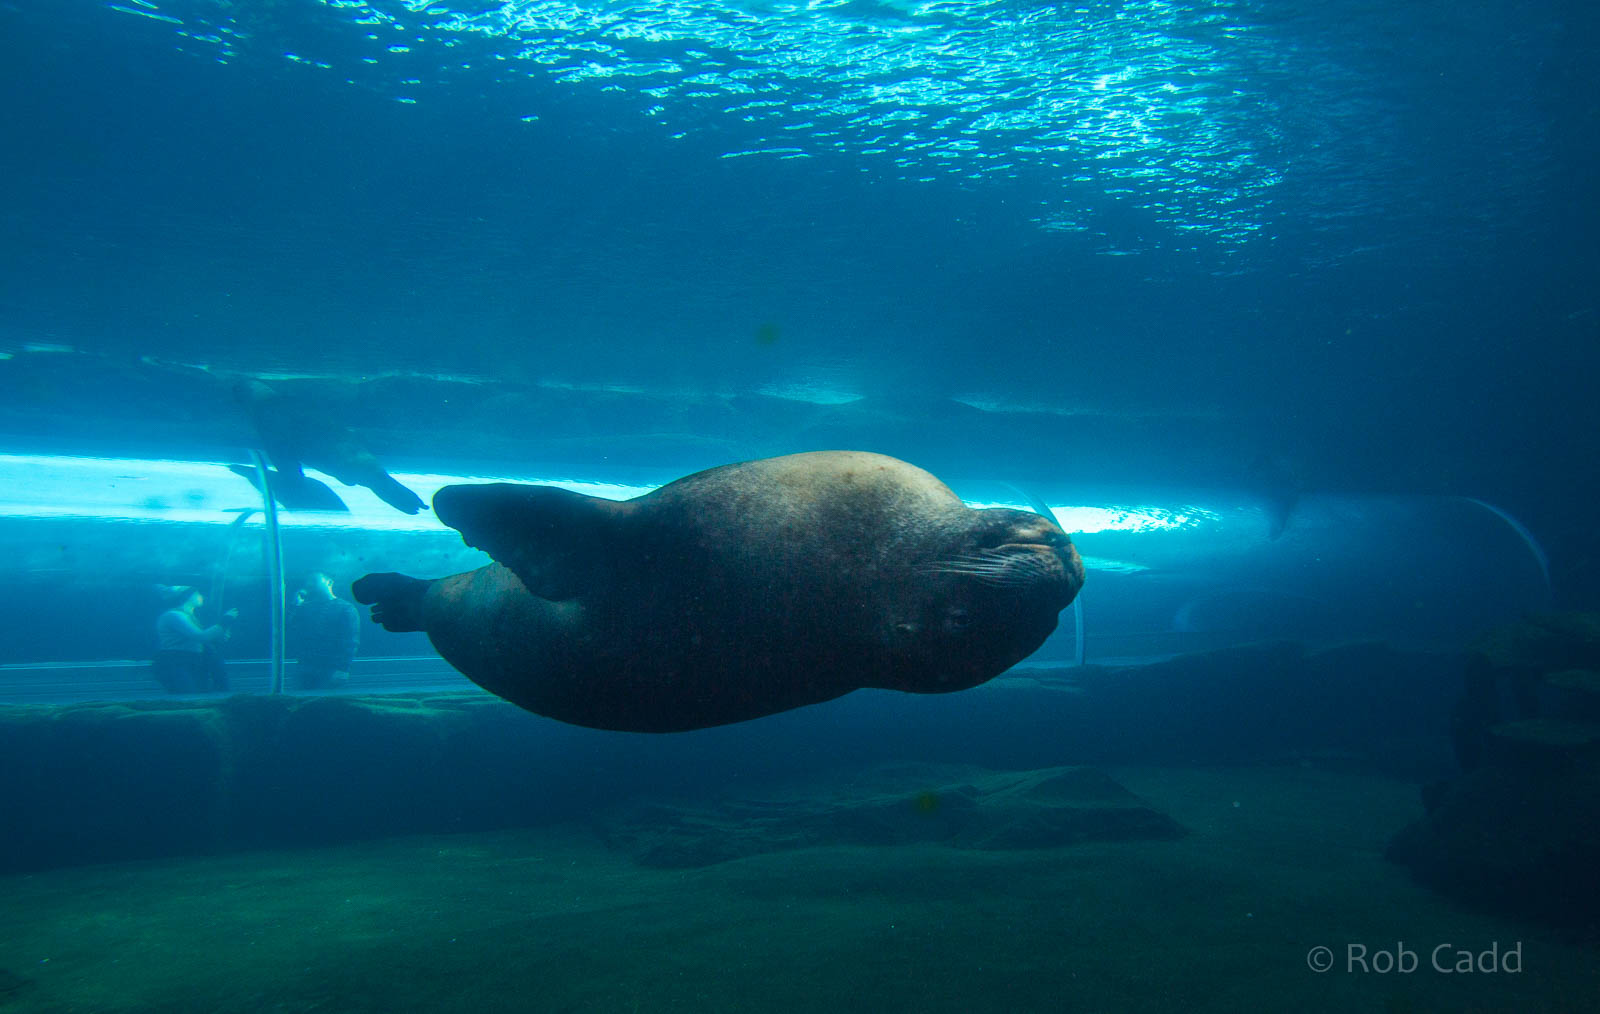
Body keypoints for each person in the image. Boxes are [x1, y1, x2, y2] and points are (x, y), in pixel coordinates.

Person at [152, 586, 236, 693]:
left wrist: (222, 630)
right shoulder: (174, 615)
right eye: (197, 594)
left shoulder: (189, 617)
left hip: (193, 659)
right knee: (187, 695)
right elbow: (200, 637)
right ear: (187, 597)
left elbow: (207, 638)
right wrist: (225, 621)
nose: (202, 597)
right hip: (176, 661)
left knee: (198, 693)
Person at [290, 572, 360, 690]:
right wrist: (296, 606)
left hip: (330, 667)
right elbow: (293, 631)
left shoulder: (345, 608)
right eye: (308, 581)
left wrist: (343, 669)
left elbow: (350, 641)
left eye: (314, 580)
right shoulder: (305, 607)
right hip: (305, 665)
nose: (309, 584)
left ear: (329, 582)